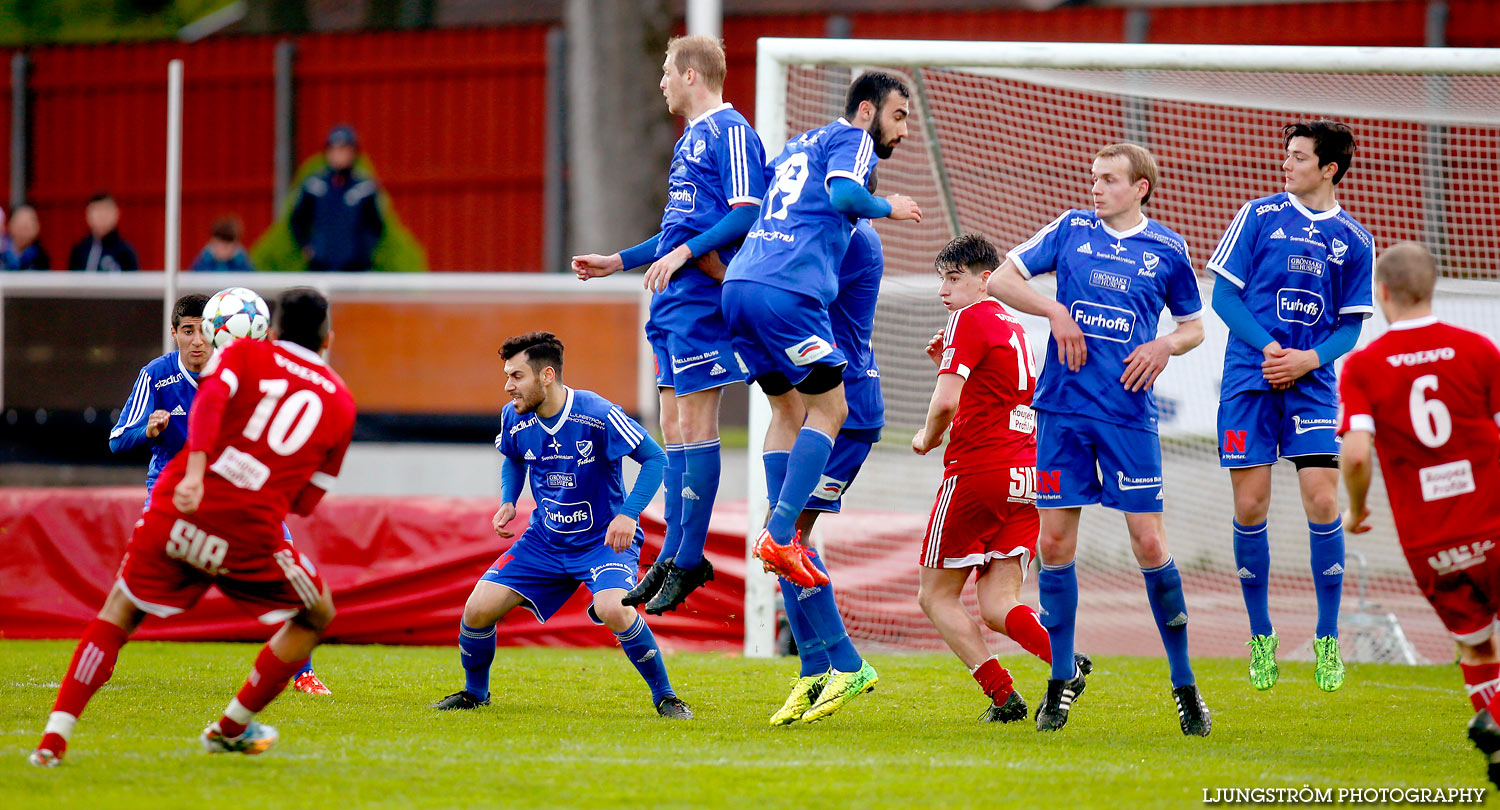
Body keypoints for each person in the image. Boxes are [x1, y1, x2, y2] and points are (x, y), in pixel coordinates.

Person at [28, 287, 355, 766]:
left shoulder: (242, 356)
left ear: (275, 330)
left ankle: (52, 741)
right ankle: (230, 727)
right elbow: (307, 501)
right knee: (317, 613)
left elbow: (207, 406)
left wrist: (200, 472)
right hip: (249, 527)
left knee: (117, 613)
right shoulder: (342, 402)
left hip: (182, 501)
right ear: (328, 339)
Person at [987, 143, 1210, 735]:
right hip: (1061, 412)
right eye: (1093, 177)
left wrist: (1165, 345)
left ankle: (1185, 686)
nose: (1095, 187)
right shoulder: (1069, 230)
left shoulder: (1167, 248)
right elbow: (1002, 279)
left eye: (1108, 179)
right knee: (1054, 546)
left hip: (1128, 416)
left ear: (1140, 188)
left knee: (1148, 542)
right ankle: (1060, 682)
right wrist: (1055, 313)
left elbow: (1193, 327)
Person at [720, 70, 921, 721]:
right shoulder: (844, 185)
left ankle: (830, 665)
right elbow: (839, 196)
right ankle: (827, 666)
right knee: (791, 536)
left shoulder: (839, 217)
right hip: (825, 396)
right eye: (899, 114)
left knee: (792, 527)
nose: (903, 128)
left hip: (831, 391)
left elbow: (782, 210)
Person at [571, 36, 766, 614]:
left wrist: (685, 258)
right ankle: (676, 552)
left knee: (696, 422)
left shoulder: (731, 130)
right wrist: (620, 261)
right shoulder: (688, 141)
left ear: (689, 74)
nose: (660, 82)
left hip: (703, 298)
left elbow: (747, 211)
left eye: (664, 72)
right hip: (671, 302)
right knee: (672, 424)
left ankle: (687, 557)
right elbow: (677, 233)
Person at [431, 332, 690, 719]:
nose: (508, 386)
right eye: (507, 375)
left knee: (614, 609)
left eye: (517, 376)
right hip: (544, 542)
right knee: (476, 610)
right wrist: (508, 500)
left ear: (546, 375)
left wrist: (628, 514)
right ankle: (475, 693)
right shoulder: (514, 416)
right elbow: (514, 459)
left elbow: (656, 459)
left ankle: (667, 697)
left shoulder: (598, 413)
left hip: (602, 541)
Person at [1207, 120, 1374, 693]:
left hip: (1311, 386)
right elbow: (1223, 295)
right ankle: (1261, 638)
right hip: (1249, 380)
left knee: (1323, 499)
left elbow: (1349, 329)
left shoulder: (1354, 240)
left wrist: (1308, 360)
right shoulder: (1257, 215)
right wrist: (1272, 348)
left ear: (1329, 168)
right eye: (1287, 155)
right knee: (1251, 507)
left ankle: (1328, 640)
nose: (1287, 165)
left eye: (1299, 157)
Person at [109, 292, 331, 695]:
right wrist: (148, 430)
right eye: (187, 331)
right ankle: (103, 656)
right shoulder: (157, 376)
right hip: (174, 498)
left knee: (289, 564)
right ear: (174, 333)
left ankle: (304, 674)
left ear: (218, 332)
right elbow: (117, 440)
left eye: (203, 331)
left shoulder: (239, 375)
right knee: (130, 590)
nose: (196, 341)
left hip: (237, 496)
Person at [1338, 243, 1500, 788]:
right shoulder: (1478, 349)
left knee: (1476, 641)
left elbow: (1356, 453)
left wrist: (1357, 510)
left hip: (1431, 539)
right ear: (1432, 288)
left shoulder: (1363, 366)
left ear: (1380, 292)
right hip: (1493, 519)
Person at [911, 233, 1091, 724]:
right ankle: (1064, 661)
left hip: (978, 473)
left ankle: (1002, 694)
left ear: (985, 279)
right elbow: (1001, 394)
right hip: (1025, 475)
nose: (944, 291)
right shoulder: (1013, 323)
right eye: (941, 280)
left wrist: (927, 438)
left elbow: (947, 403)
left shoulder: (967, 318)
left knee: (935, 595)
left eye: (954, 279)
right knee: (997, 603)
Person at [769, 214, 885, 726]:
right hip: (810, 407)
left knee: (788, 536)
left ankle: (846, 663)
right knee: (785, 542)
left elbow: (799, 289)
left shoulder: (854, 238)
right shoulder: (818, 230)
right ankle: (814, 668)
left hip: (846, 409)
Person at [290, 124, 383, 272]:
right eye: (334, 150)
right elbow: (298, 220)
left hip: (355, 268)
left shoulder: (363, 187)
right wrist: (308, 247)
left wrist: (363, 250)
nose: (338, 155)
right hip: (320, 266)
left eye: (344, 150)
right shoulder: (315, 185)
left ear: (353, 153)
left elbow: (375, 225)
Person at [68, 192, 139, 272]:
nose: (102, 215)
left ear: (116, 213)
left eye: (106, 210)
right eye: (97, 210)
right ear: (88, 214)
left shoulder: (125, 252)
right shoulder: (79, 251)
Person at [191, 216, 255, 272]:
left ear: (235, 245)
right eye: (218, 245)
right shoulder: (202, 262)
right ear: (212, 242)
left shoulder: (243, 264)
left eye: (226, 247)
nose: (222, 250)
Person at [3, 204, 51, 270]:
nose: (24, 229)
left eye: (29, 225)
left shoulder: (40, 257)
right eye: (20, 224)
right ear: (10, 224)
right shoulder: (2, 252)